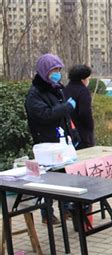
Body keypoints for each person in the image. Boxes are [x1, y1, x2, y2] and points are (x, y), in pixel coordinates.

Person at [24, 53, 77, 225]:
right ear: (44, 71)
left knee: (64, 177)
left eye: (58, 70)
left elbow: (64, 117)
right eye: (53, 70)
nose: (57, 73)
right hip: (46, 143)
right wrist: (66, 107)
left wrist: (72, 134)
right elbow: (44, 115)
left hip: (61, 141)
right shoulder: (35, 94)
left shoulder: (56, 87)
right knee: (47, 180)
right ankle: (47, 214)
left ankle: (66, 209)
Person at [64, 64, 94, 149]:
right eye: (88, 78)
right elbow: (85, 113)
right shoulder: (83, 91)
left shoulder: (65, 89)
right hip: (82, 133)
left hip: (68, 130)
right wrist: (90, 127)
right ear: (83, 79)